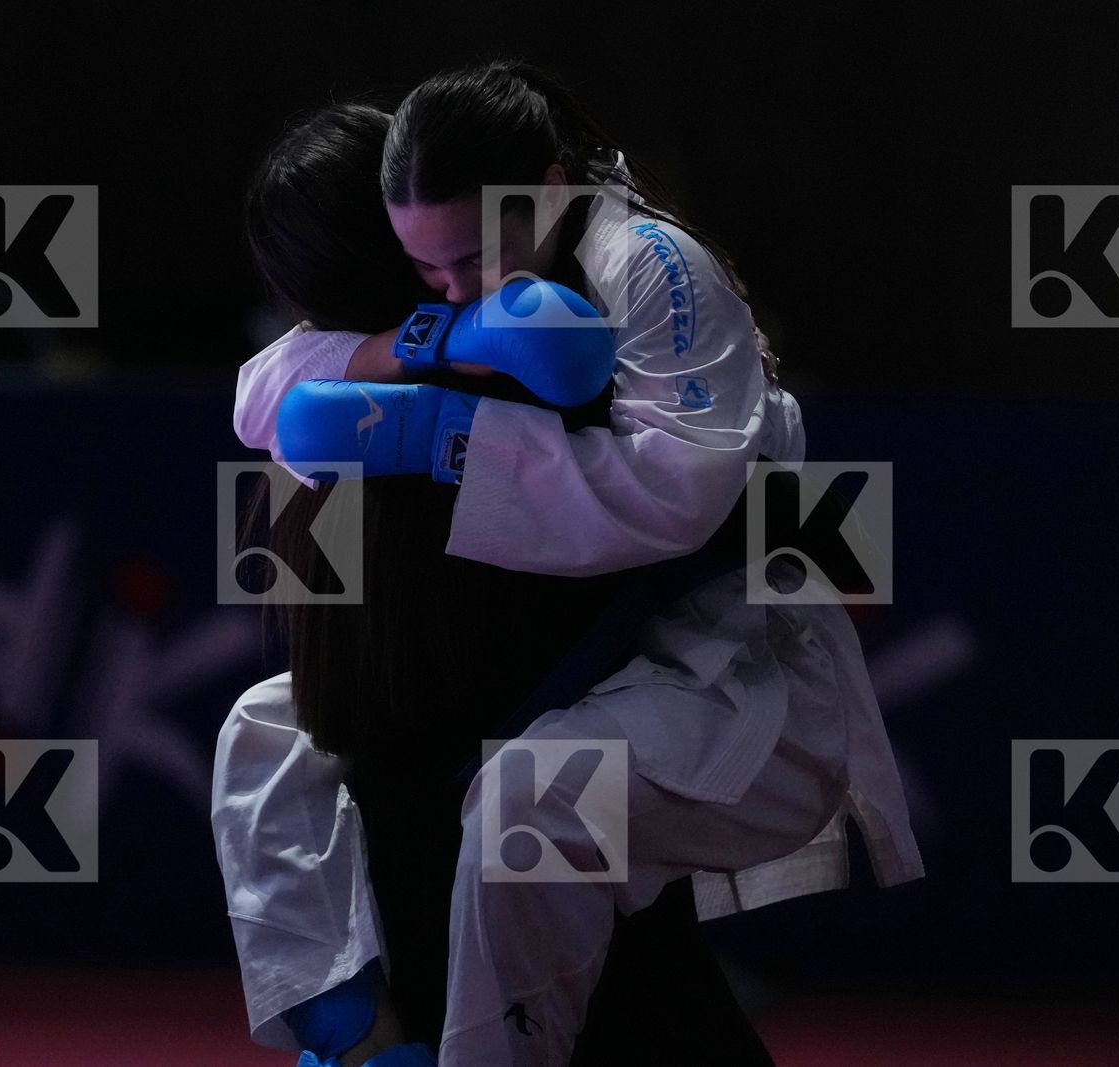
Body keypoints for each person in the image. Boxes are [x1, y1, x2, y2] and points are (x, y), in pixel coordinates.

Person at [224, 62, 925, 1066]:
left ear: (544, 190)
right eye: (426, 271)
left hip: (728, 675)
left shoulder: (639, 272)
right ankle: (353, 1034)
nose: (458, 283)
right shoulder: (487, 308)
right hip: (599, 677)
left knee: (524, 802)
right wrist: (442, 338)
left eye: (467, 258)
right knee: (264, 729)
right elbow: (267, 389)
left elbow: (679, 498)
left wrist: (443, 429)